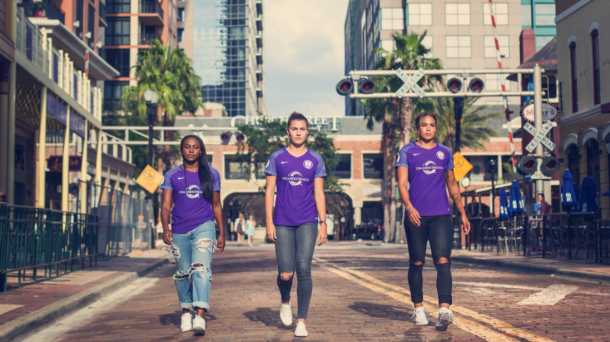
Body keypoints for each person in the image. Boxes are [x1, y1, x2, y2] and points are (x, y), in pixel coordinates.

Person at [395, 112, 471, 331]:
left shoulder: (444, 152)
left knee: (443, 261)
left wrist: (463, 213)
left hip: (440, 215)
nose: (428, 129)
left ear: (436, 129)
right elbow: (401, 184)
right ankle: (418, 309)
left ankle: (444, 310)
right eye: (424, 125)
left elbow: (452, 184)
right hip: (415, 216)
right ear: (418, 128)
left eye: (432, 125)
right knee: (417, 262)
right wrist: (409, 207)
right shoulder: (407, 151)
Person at [265, 112, 328, 337]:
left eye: (302, 129)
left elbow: (319, 193)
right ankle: (285, 300)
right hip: (282, 222)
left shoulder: (315, 159)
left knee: (304, 268)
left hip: (307, 221)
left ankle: (301, 320)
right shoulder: (277, 157)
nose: (298, 132)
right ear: (288, 131)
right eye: (294, 129)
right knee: (285, 274)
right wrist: (269, 222)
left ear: (307, 132)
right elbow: (269, 191)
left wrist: (323, 222)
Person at [160, 135, 225, 335]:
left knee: (201, 270)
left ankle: (200, 315)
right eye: (187, 147)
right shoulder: (172, 175)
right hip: (179, 229)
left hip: (204, 227)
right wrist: (166, 228)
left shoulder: (211, 174)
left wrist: (221, 232)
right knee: (182, 274)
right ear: (182, 150)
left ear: (201, 151)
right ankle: (186, 311)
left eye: (195, 147)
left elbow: (216, 205)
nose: (191, 150)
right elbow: (165, 205)